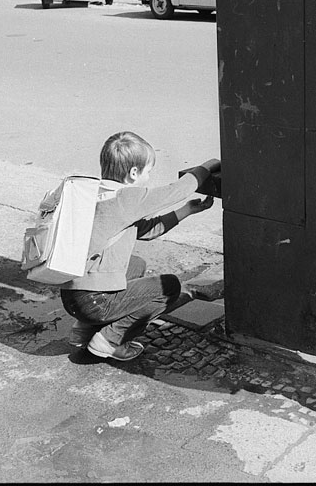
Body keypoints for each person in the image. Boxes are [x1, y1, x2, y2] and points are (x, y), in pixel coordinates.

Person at [60, 131, 221, 362]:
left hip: (72, 296)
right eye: (148, 172)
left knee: (135, 265)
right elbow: (179, 189)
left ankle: (84, 329)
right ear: (133, 173)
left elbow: (146, 230)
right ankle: (110, 340)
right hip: (95, 302)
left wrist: (187, 210)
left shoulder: (95, 194)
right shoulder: (127, 198)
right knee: (169, 286)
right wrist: (209, 165)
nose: (148, 178)